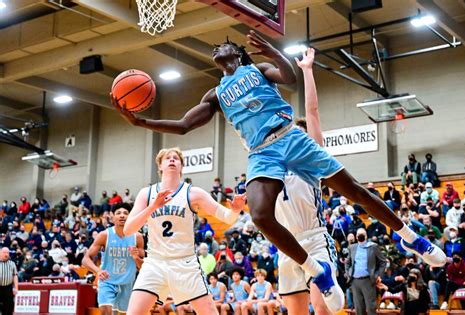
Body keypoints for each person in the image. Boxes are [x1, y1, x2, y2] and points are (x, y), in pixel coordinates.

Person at [113, 32, 446, 301]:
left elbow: (288, 77)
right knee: (259, 215)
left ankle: (408, 236)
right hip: (262, 152)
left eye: (224, 44)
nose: (217, 47)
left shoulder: (256, 71)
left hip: (291, 137)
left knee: (355, 191)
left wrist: (274, 51)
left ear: (238, 53)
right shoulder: (216, 94)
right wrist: (141, 122)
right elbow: (184, 125)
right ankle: (316, 270)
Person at [123, 148, 246, 315]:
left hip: (185, 263)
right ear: (160, 165)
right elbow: (128, 229)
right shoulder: (147, 193)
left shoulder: (193, 192)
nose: (172, 160)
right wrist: (153, 206)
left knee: (209, 312)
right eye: (168, 158)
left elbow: (227, 217)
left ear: (181, 166)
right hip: (155, 263)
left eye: (176, 158)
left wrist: (236, 210)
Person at [82, 203, 145, 315]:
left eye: (125, 213)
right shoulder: (104, 235)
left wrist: (136, 258)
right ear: (112, 217)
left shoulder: (138, 237)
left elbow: (143, 267)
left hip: (127, 283)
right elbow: (85, 259)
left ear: (130, 216)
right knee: (106, 312)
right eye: (118, 213)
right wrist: (98, 271)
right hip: (107, 281)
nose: (122, 216)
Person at [346, 228, 387, 315]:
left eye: (362, 234)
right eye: (358, 234)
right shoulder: (352, 248)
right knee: (359, 309)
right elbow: (347, 262)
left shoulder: (373, 247)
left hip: (368, 280)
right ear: (356, 237)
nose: (360, 236)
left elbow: (383, 262)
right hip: (355, 281)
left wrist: (378, 275)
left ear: (366, 236)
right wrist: (348, 273)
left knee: (371, 308)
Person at [0, 247, 18, 315]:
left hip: (8, 287)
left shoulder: (12, 263)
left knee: (8, 306)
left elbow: (15, 276)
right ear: (0, 253)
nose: (6, 254)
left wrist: (16, 288)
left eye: (7, 252)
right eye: (4, 252)